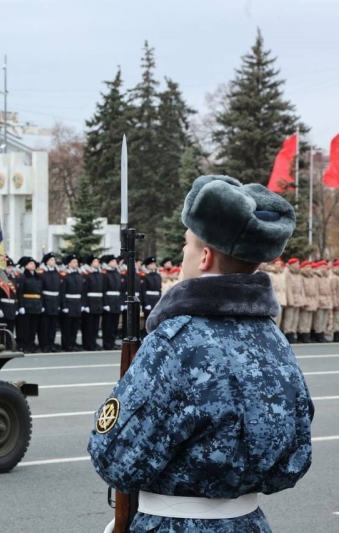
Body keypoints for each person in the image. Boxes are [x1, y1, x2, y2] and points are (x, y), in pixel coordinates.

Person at [89, 175, 312, 532]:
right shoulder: (275, 340)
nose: (182, 254)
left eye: (186, 244)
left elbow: (114, 459)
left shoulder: (176, 341)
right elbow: (295, 454)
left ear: (205, 256)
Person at [59, 253, 84, 352]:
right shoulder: (65, 275)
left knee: (74, 326)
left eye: (76, 262)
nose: (76, 263)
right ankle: (66, 345)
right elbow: (62, 291)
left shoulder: (78, 275)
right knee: (67, 326)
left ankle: (73, 343)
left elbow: (82, 291)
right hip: (69, 302)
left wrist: (82, 304)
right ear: (68, 264)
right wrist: (64, 305)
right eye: (73, 262)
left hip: (77, 303)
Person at [16, 257, 42, 352]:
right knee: (25, 327)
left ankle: (31, 344)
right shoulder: (23, 277)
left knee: (33, 327)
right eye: (30, 263)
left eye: (34, 263)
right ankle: (24, 345)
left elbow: (40, 292)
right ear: (25, 266)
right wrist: (21, 306)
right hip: (27, 304)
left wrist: (40, 304)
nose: (33, 265)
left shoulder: (37, 276)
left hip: (36, 304)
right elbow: (20, 292)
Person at [38, 252, 61, 352]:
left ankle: (51, 343)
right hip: (46, 301)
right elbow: (40, 290)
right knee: (44, 325)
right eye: (51, 260)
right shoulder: (42, 274)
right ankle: (44, 344)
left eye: (54, 260)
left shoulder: (56, 273)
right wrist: (42, 304)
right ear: (46, 262)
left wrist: (59, 303)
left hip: (54, 301)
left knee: (52, 325)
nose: (54, 262)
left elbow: (59, 289)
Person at [81, 255, 105, 351]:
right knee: (88, 326)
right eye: (95, 261)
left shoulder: (99, 275)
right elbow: (84, 291)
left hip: (98, 303)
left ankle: (93, 343)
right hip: (89, 303)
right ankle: (87, 344)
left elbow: (102, 290)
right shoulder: (87, 275)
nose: (97, 263)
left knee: (95, 326)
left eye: (98, 262)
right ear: (90, 263)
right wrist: (85, 305)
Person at [282, 258, 305, 343]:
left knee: (295, 319)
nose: (298, 265)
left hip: (298, 299)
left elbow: (301, 289)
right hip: (291, 300)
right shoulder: (287, 274)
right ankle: (288, 334)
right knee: (289, 318)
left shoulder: (299, 274)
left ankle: (292, 333)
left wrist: (303, 300)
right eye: (296, 264)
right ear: (291, 265)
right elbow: (288, 289)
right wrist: (290, 301)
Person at [297, 261, 317, 343]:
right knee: (303, 319)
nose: (309, 269)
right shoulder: (301, 277)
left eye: (310, 267)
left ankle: (307, 334)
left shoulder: (313, 277)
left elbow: (316, 290)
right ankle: (302, 335)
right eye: (307, 267)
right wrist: (303, 301)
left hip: (312, 299)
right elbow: (301, 290)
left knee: (308, 320)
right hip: (305, 299)